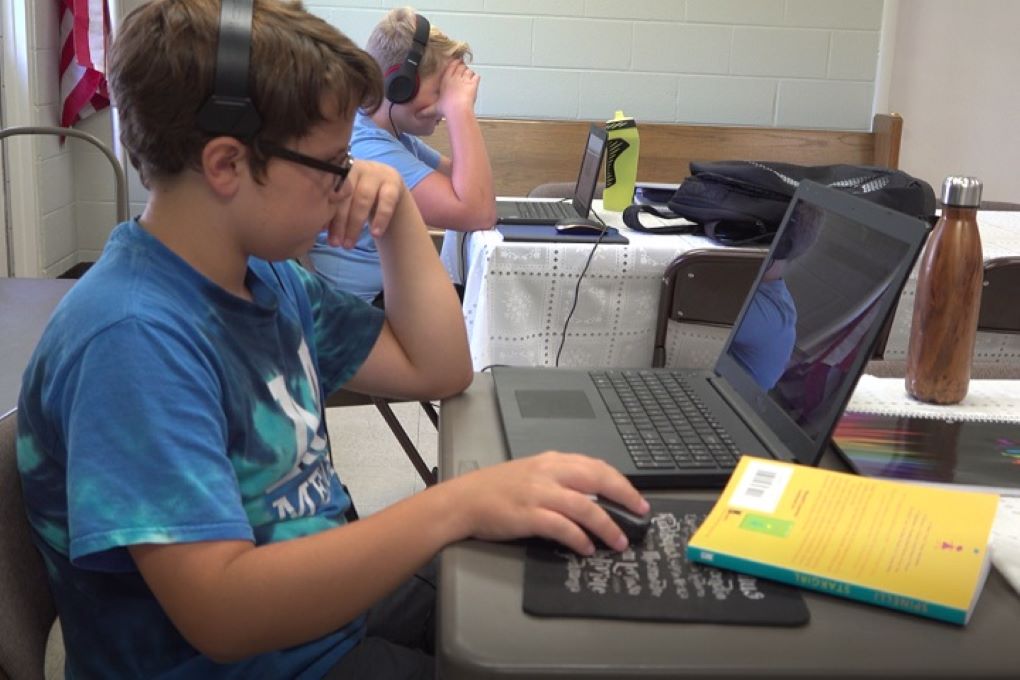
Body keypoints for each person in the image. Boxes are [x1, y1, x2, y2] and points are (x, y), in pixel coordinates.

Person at [15, 1, 647, 678]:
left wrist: (398, 212)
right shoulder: (132, 338)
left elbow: (438, 368)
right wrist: (454, 504)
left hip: (320, 615)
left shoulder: (267, 279)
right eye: (334, 162)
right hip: (247, 662)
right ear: (227, 164)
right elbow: (223, 613)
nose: (351, 181)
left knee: (560, 594)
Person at [309, 6, 496, 304]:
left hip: (377, 298)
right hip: (354, 311)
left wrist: (456, 108)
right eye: (440, 91)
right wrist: (460, 109)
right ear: (400, 87)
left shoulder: (388, 135)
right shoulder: (368, 146)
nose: (444, 105)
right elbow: (478, 212)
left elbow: (465, 184)